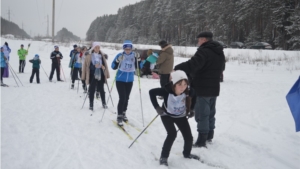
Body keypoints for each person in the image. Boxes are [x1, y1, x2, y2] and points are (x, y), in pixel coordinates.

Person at [174, 31, 225, 147]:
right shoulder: (219, 51)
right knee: (210, 113)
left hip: (202, 87)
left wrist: (177, 68)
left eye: (199, 39)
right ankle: (209, 136)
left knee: (202, 114)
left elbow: (193, 64)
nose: (198, 41)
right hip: (214, 88)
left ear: (204, 40)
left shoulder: (204, 51)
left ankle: (202, 140)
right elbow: (222, 67)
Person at [149, 70, 199, 166]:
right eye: (179, 84)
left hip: (180, 115)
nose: (183, 87)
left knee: (188, 136)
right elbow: (151, 92)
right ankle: (164, 157)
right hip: (166, 115)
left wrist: (192, 109)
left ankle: (187, 153)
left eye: (185, 84)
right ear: (174, 84)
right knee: (172, 134)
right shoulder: (166, 91)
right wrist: (157, 107)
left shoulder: (188, 91)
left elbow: (195, 94)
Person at [111, 40, 140, 126]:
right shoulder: (120, 55)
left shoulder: (134, 56)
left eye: (129, 49)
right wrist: (117, 60)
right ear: (124, 48)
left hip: (130, 80)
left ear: (131, 49)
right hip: (120, 80)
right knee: (122, 97)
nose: (128, 50)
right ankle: (119, 116)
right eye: (126, 49)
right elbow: (113, 66)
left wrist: (139, 60)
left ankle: (124, 113)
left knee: (127, 98)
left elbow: (140, 67)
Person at [82, 42, 110, 110]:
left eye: (98, 47)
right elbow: (88, 66)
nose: (97, 49)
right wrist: (94, 66)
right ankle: (91, 104)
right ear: (93, 48)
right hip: (92, 74)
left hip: (100, 74)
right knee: (92, 90)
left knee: (102, 89)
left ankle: (104, 103)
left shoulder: (102, 55)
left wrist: (103, 67)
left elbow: (104, 65)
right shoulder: (89, 55)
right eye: (96, 47)